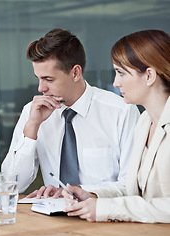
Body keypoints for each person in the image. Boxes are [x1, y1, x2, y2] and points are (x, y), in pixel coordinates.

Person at [1, 28, 140, 197]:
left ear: (75, 73)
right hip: (54, 216)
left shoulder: (121, 112)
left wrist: (80, 192)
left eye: (49, 79)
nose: (41, 88)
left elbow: (131, 186)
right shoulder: (33, 112)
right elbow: (10, 186)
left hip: (104, 216)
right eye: (38, 78)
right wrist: (31, 128)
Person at [63, 29, 170, 223]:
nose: (116, 83)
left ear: (149, 76)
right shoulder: (144, 121)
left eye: (121, 73)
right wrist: (93, 195)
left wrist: (106, 208)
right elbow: (133, 191)